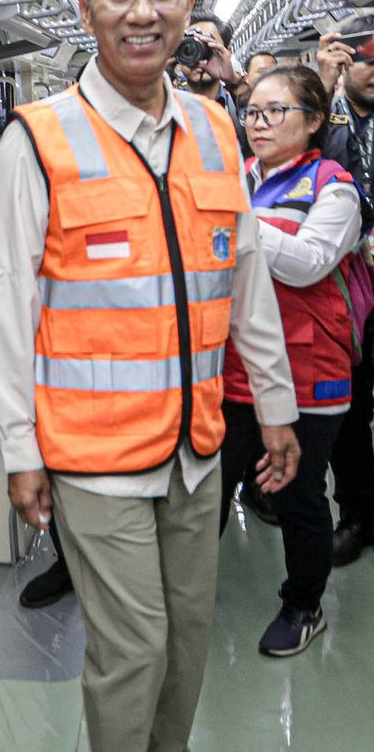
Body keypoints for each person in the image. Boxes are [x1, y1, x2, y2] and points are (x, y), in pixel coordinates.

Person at [0, 0, 301, 751]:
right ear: (89, 12)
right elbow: (8, 307)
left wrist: (275, 403)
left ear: (188, 6)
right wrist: (20, 449)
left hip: (196, 446)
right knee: (135, 651)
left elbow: (246, 280)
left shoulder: (214, 130)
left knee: (189, 641)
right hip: (93, 456)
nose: (142, 11)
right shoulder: (38, 141)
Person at [221, 64, 361, 657]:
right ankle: (185, 592)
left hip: (309, 370)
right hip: (235, 368)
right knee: (212, 483)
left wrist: (235, 220)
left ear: (312, 121)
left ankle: (304, 604)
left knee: (299, 492)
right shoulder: (239, 175)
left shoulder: (334, 188)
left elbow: (308, 262)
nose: (258, 121)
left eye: (275, 111)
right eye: (253, 110)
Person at [317, 29, 374, 566]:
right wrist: (329, 91)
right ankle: (358, 513)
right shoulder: (330, 121)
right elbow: (327, 170)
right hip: (354, 286)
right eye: (367, 60)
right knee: (353, 411)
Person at [176, 10, 248, 151]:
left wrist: (235, 82)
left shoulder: (241, 105)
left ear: (228, 52)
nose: (200, 56)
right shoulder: (167, 110)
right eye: (190, 47)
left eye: (208, 46)